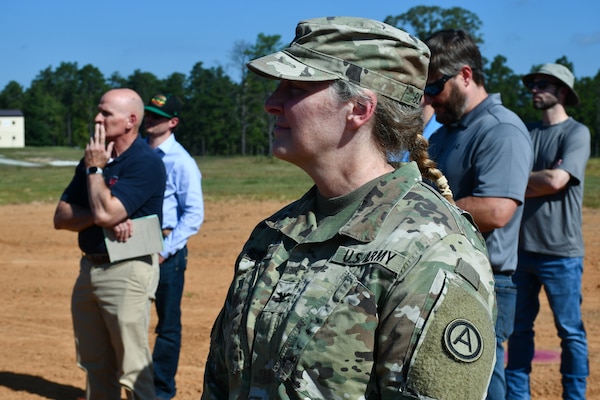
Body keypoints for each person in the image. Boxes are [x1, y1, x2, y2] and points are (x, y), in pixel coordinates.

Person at [202, 17, 497, 400]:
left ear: (358, 108)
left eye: (295, 87)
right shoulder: (274, 234)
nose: (272, 103)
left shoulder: (430, 247)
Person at [424, 29, 534, 400]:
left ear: (465, 76)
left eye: (434, 86)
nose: (429, 97)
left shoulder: (500, 130)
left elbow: (497, 209)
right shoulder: (444, 133)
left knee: (485, 383)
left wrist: (423, 209)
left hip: (486, 281)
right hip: (448, 276)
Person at [53, 88, 166, 400]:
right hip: (90, 268)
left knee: (134, 370)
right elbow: (61, 216)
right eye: (98, 111)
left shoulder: (144, 162)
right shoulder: (95, 156)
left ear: (130, 121)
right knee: (95, 365)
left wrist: (95, 172)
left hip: (127, 270)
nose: (97, 118)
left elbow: (105, 212)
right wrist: (102, 213)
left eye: (105, 113)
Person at [506, 63, 590, 399]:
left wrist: (519, 182)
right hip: (520, 251)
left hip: (561, 253)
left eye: (544, 84)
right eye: (533, 83)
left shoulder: (576, 133)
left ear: (563, 93)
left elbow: (557, 181)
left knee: (570, 332)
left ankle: (575, 395)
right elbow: (532, 179)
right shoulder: (525, 132)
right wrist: (538, 180)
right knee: (518, 331)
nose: (534, 89)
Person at [143, 93, 204, 400]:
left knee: (167, 326)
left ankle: (160, 392)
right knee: (128, 322)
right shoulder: (136, 154)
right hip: (134, 247)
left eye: (157, 116)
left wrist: (164, 249)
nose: (149, 119)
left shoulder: (181, 162)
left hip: (166, 251)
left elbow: (194, 214)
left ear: (173, 122)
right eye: (148, 114)